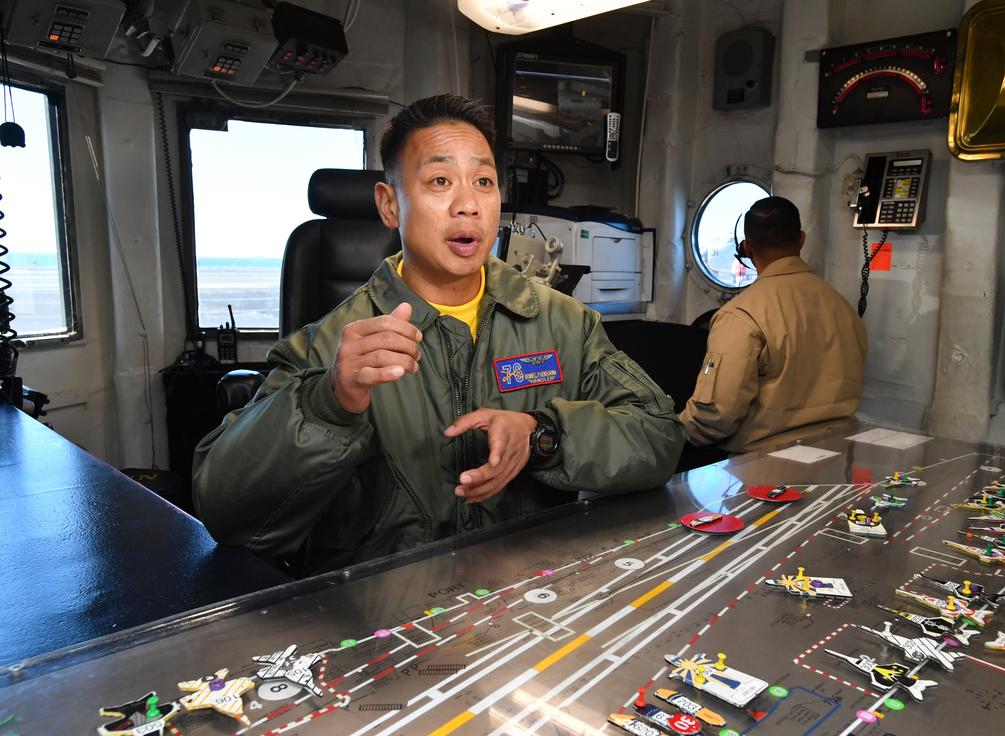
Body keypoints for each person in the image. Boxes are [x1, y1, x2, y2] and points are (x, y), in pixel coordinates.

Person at [193, 94, 684, 574]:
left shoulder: (563, 323)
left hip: (523, 600)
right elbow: (227, 514)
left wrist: (544, 436)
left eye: (484, 181)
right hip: (380, 618)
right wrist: (329, 403)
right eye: (440, 180)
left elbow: (660, 436)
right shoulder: (329, 346)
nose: (467, 204)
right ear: (389, 205)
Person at [678, 196, 868, 453]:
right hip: (836, 455)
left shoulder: (740, 315)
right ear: (801, 240)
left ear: (746, 247)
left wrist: (668, 432)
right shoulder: (842, 307)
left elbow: (716, 414)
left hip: (765, 471)